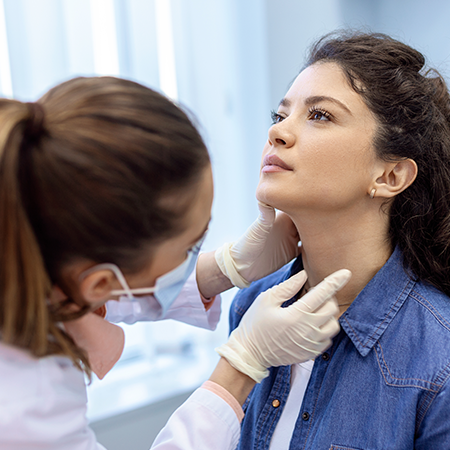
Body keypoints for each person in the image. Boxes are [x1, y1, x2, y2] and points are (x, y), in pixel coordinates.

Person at [0, 76, 350, 450]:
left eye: (320, 115)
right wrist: (244, 362)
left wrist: (223, 269)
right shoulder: (24, 409)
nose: (278, 129)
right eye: (189, 248)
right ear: (100, 284)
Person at [229, 31, 450, 449]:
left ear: (390, 176)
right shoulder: (250, 305)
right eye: (280, 116)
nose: (277, 134)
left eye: (320, 116)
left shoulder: (439, 356)